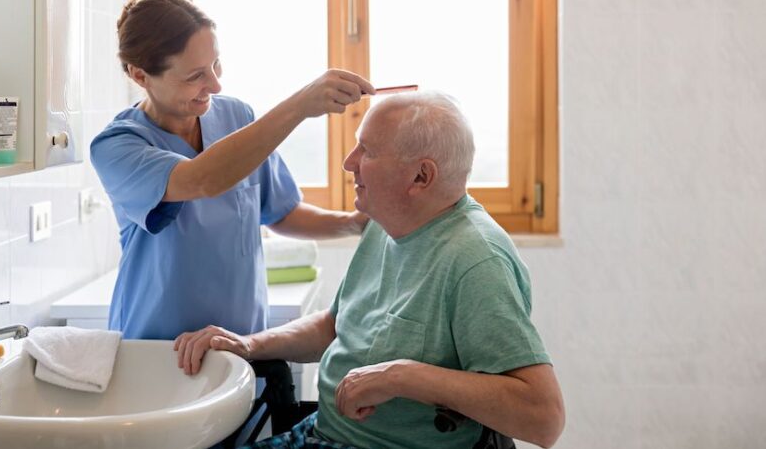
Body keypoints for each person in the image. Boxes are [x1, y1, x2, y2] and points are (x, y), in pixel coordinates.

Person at [175, 92, 565, 448]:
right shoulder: (386, 223)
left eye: (367, 150)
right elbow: (335, 326)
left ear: (421, 176)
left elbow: (544, 420)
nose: (349, 163)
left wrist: (403, 377)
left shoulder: (476, 260)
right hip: (322, 433)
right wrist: (249, 344)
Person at [90, 0, 375, 340]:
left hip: (240, 345)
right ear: (140, 75)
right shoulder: (118, 146)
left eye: (216, 64)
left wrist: (354, 225)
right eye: (196, 76)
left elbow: (280, 212)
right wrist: (300, 105)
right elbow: (202, 179)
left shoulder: (237, 118)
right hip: (157, 351)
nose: (215, 85)